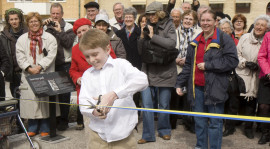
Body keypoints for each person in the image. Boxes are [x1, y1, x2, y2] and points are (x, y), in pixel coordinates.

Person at [176, 10, 238, 149]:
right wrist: (179, 83)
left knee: (215, 123)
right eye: (202, 20)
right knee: (199, 121)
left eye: (208, 20)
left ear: (215, 22)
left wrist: (209, 65)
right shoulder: (196, 41)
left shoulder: (224, 38)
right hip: (197, 88)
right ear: (199, 22)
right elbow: (188, 65)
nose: (205, 23)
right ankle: (201, 146)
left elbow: (232, 61)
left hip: (216, 88)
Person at [79, 28, 148, 149]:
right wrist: (94, 111)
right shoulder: (87, 75)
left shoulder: (121, 65)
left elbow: (142, 80)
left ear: (107, 49)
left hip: (123, 136)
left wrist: (114, 94)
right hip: (97, 137)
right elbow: (84, 102)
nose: (91, 60)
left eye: (95, 54)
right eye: (87, 56)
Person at [137, 1, 177, 144]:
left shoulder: (169, 25)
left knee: (164, 104)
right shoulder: (145, 26)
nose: (151, 17)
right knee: (147, 105)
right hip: (147, 72)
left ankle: (164, 130)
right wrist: (142, 36)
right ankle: (147, 135)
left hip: (166, 72)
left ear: (160, 13)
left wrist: (153, 36)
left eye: (153, 14)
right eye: (148, 14)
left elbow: (172, 44)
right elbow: (140, 51)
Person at [69, 18, 117, 130]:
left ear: (91, 29)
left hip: (106, 90)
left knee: (110, 124)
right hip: (88, 93)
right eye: (78, 32)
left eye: (84, 30)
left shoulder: (102, 42)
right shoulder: (75, 49)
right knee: (91, 127)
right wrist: (78, 78)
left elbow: (113, 62)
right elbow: (73, 69)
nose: (81, 34)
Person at [16, 12, 58, 137]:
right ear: (27, 24)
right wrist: (29, 68)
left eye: (36, 21)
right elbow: (20, 56)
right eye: (31, 21)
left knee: (44, 101)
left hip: (44, 72)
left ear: (40, 23)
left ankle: (45, 127)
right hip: (29, 74)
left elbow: (52, 54)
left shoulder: (50, 38)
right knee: (31, 101)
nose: (34, 24)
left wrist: (39, 66)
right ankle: (33, 127)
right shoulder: (22, 39)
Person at [235, 15, 270, 139]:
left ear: (267, 28)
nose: (259, 27)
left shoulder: (266, 39)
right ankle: (232, 125)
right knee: (238, 101)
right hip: (243, 73)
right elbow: (236, 54)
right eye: (257, 24)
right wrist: (245, 62)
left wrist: (261, 68)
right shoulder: (244, 37)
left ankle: (250, 128)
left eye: (262, 25)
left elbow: (265, 57)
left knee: (253, 102)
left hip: (258, 75)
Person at [44, 3, 77, 131]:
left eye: (58, 13)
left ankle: (64, 121)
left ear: (62, 14)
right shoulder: (47, 26)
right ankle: (54, 119)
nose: (55, 16)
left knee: (64, 95)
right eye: (53, 13)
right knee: (52, 94)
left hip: (64, 64)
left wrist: (59, 31)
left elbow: (68, 43)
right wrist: (44, 27)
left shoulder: (69, 27)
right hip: (51, 65)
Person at [171, 10, 201, 131]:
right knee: (174, 96)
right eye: (186, 18)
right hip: (176, 67)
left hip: (191, 68)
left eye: (191, 19)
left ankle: (189, 123)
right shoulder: (175, 31)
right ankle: (172, 123)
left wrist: (188, 60)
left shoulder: (198, 33)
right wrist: (176, 59)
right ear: (182, 19)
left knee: (189, 98)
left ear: (194, 21)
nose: (188, 21)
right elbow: (170, 49)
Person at [218, 18, 239, 137]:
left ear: (231, 30)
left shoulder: (236, 42)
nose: (225, 30)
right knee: (222, 102)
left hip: (233, 75)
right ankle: (220, 124)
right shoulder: (217, 41)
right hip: (220, 75)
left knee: (232, 103)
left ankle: (230, 127)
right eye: (222, 29)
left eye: (227, 28)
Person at [0, 8, 28, 98]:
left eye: (16, 19)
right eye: (11, 19)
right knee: (17, 100)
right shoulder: (4, 36)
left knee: (29, 101)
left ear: (20, 19)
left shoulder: (28, 33)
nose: (14, 21)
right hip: (14, 74)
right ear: (8, 21)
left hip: (27, 72)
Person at [258, 27, 270, 145]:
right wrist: (268, 72)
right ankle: (265, 133)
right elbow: (262, 56)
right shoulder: (268, 36)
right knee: (263, 106)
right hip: (267, 77)